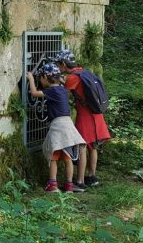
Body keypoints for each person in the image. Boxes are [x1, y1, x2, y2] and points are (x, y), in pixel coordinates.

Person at [26, 62, 85, 193]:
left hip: (59, 127)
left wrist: (30, 78)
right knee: (68, 158)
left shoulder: (52, 90)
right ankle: (69, 185)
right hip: (68, 126)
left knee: (53, 156)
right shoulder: (63, 90)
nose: (40, 80)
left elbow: (34, 93)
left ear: (45, 78)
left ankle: (53, 184)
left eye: (40, 77)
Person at [54, 49, 111, 187]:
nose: (57, 67)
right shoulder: (84, 72)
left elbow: (63, 91)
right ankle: (92, 176)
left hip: (85, 116)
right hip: (96, 113)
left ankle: (79, 181)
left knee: (81, 146)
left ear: (63, 64)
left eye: (58, 64)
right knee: (93, 146)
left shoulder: (72, 78)